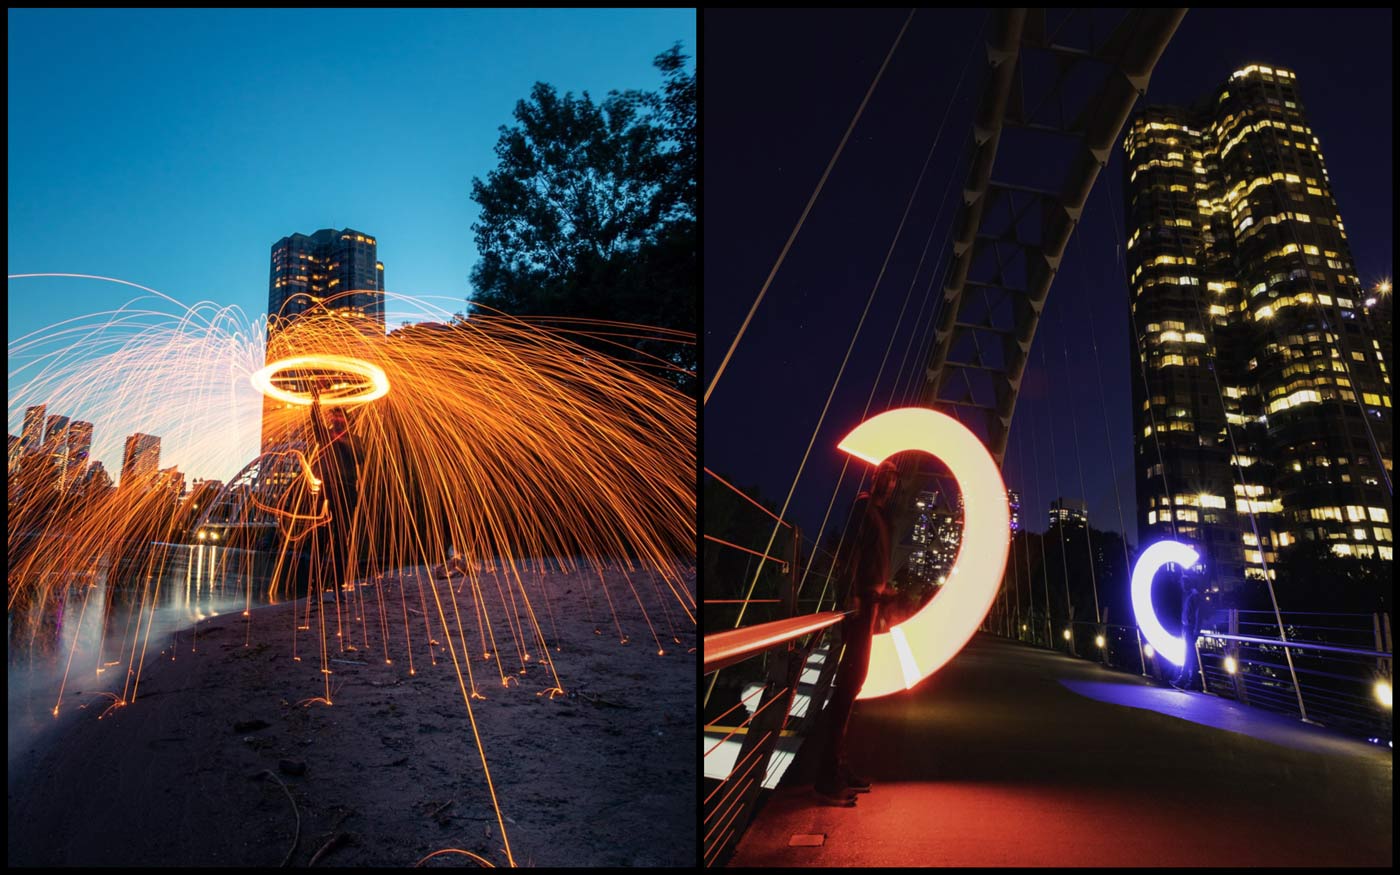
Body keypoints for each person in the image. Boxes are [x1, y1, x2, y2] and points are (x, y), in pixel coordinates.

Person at [813, 459, 899, 806]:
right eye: (886, 477)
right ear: (876, 478)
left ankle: (838, 768)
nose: (890, 484)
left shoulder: (877, 512)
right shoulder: (864, 506)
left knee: (854, 684)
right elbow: (851, 552)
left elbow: (871, 558)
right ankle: (827, 777)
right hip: (859, 605)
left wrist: (884, 590)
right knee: (849, 684)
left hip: (870, 602)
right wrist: (851, 596)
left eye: (894, 480)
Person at [309, 383, 362, 592]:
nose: (336, 421)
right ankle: (315, 586)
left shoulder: (355, 440)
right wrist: (315, 399)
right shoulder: (325, 437)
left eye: (340, 418)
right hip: (328, 491)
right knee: (320, 538)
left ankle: (338, 584)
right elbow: (315, 422)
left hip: (347, 492)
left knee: (341, 539)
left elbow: (360, 458)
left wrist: (343, 441)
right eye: (334, 418)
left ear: (347, 421)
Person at [1173, 583, 1204, 691]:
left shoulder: (1195, 596)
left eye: (1182, 582)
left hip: (1190, 629)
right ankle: (1190, 681)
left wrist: (1196, 630)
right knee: (1189, 655)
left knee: (1188, 655)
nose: (1181, 584)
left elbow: (1198, 614)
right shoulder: (1189, 595)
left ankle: (1184, 680)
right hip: (1187, 628)